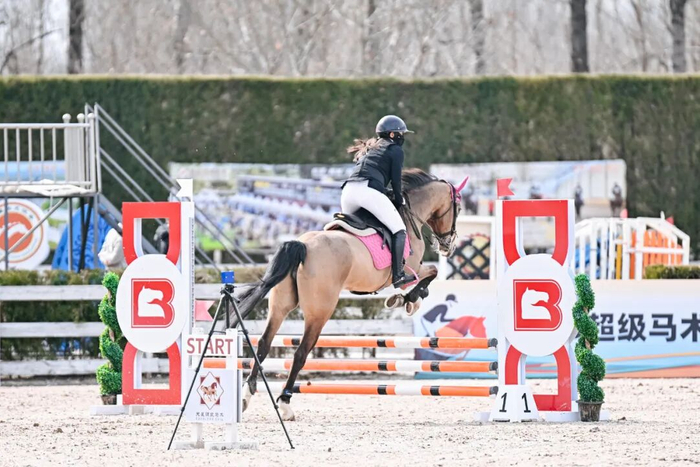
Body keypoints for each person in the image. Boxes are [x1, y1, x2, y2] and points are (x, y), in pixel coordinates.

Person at [342, 115, 415, 288]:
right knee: (399, 230)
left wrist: (385, 192)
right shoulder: (395, 150)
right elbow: (396, 181)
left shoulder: (370, 148)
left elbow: (370, 174)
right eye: (400, 134)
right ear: (392, 135)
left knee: (352, 233)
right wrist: (399, 200)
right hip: (367, 192)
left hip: (347, 193)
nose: (402, 137)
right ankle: (398, 276)